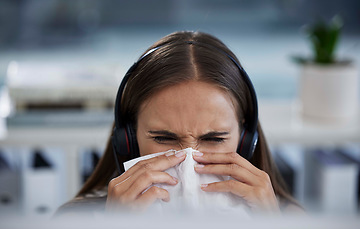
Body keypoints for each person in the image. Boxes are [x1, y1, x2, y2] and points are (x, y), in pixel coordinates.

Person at [56, 31, 302, 217]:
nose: (188, 159)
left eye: (214, 139)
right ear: (128, 139)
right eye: (163, 138)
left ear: (246, 140)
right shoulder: (75, 223)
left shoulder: (290, 222)